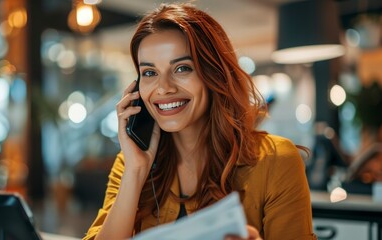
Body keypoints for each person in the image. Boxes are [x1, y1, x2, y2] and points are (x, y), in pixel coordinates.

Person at [84, 3, 316, 240]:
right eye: (150, 73)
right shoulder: (130, 163)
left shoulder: (275, 161)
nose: (163, 88)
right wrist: (136, 171)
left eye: (182, 68)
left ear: (214, 74)